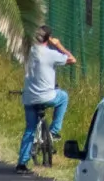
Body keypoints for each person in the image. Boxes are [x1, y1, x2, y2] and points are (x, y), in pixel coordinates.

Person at [17, 25, 75, 172]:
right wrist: (58, 45)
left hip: (29, 97)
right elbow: (72, 59)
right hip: (47, 96)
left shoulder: (27, 52)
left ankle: (21, 164)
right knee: (63, 97)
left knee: (30, 128)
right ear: (48, 39)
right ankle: (54, 130)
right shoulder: (51, 54)